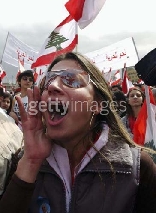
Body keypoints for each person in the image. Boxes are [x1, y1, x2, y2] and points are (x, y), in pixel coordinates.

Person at [0, 52, 156, 213]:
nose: (53, 86)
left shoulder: (137, 168)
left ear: (97, 104)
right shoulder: (22, 161)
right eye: (48, 81)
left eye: (71, 80)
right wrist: (31, 162)